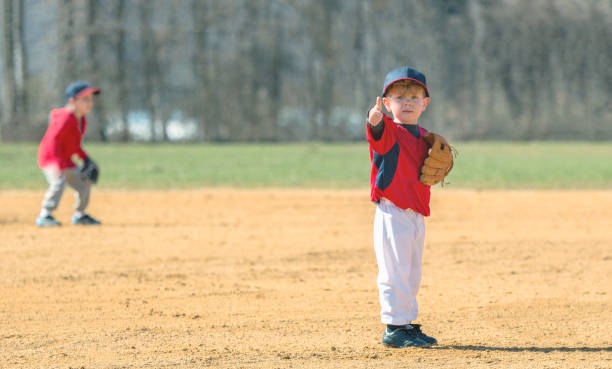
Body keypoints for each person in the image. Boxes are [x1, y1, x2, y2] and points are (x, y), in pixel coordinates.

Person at [366, 66, 439, 348]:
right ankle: (394, 327)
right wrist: (374, 120)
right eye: (399, 96)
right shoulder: (389, 132)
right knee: (394, 270)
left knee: (410, 271)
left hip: (416, 213)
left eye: (413, 96)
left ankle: (406, 324)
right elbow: (376, 129)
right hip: (393, 210)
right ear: (387, 103)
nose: (406, 102)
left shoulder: (425, 136)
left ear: (425, 103)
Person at [35, 81, 102, 227]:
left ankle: (80, 215)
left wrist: (86, 159)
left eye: (90, 99)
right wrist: (59, 166)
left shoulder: (81, 119)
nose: (89, 103)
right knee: (59, 181)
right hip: (51, 159)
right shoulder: (65, 118)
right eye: (85, 99)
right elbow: (53, 141)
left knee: (84, 183)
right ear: (72, 101)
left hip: (65, 160)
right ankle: (45, 214)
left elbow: (75, 145)